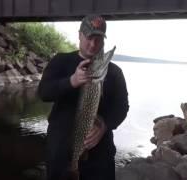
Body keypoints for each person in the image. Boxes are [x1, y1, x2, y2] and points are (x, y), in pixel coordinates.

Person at [38, 14, 129, 180]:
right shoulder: (61, 61)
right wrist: (71, 81)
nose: (93, 44)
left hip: (101, 155)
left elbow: (122, 108)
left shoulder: (115, 72)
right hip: (60, 152)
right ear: (80, 35)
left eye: (98, 39)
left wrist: (105, 125)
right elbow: (43, 93)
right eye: (89, 37)